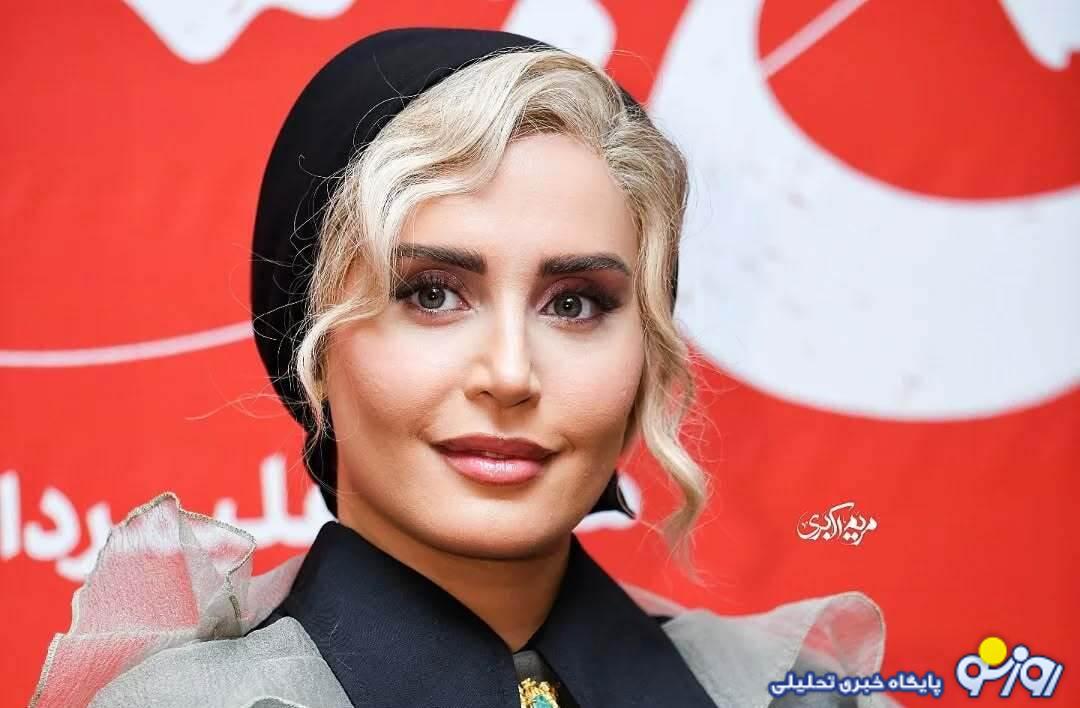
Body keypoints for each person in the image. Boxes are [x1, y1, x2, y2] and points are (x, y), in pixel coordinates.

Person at [29, 28, 890, 708]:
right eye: (432, 294)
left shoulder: (791, 694)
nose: (510, 374)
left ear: (648, 349)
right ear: (314, 344)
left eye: (575, 303)